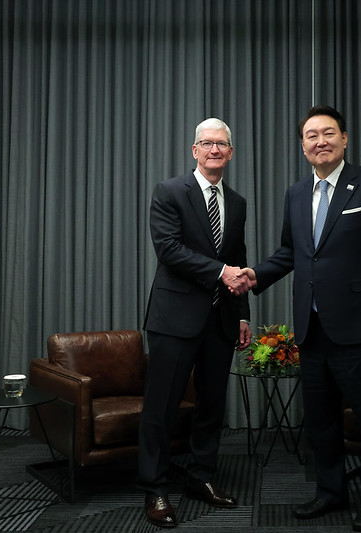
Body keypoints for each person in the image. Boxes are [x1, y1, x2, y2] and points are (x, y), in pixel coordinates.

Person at [241, 105, 361, 532]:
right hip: (312, 329)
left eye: (329, 133)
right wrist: (254, 275)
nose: (321, 141)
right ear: (303, 146)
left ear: (345, 138)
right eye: (312, 136)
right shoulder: (296, 194)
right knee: (321, 419)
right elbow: (290, 253)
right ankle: (330, 492)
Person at [138, 117, 253, 528]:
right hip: (174, 318)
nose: (214, 150)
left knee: (211, 404)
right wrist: (221, 272)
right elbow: (168, 249)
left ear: (231, 152)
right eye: (206, 144)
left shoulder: (236, 202)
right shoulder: (169, 191)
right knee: (162, 406)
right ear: (194, 151)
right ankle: (155, 486)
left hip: (220, 319)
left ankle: (201, 477)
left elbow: (237, 256)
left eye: (221, 144)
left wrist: (242, 314)